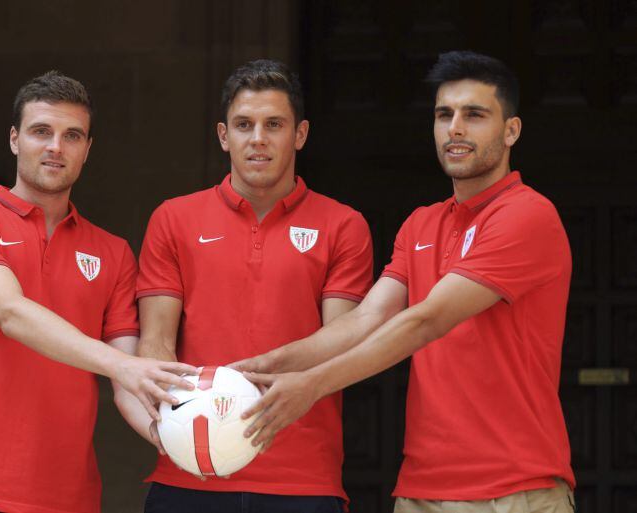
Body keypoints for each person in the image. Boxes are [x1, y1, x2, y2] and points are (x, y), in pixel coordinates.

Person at [236, 51, 576, 512]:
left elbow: (428, 319)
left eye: (474, 115)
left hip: (516, 488)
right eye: (444, 115)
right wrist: (264, 367)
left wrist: (311, 385)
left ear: (511, 130)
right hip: (420, 489)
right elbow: (366, 320)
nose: (455, 128)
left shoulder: (527, 215)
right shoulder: (421, 224)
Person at [0, 71, 196, 513]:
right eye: (41, 131)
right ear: (14, 139)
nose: (55, 147)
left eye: (72, 135)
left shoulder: (114, 252)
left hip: (69, 500)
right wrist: (124, 366)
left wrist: (174, 437)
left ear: (87, 149)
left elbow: (127, 386)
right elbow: (10, 312)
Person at [130, 59, 374, 513]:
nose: (257, 138)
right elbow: (156, 341)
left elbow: (340, 343)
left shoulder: (344, 224)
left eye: (274, 124)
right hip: (189, 472)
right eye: (244, 125)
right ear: (224, 136)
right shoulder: (173, 218)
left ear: (299, 134)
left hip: (302, 480)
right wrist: (171, 425)